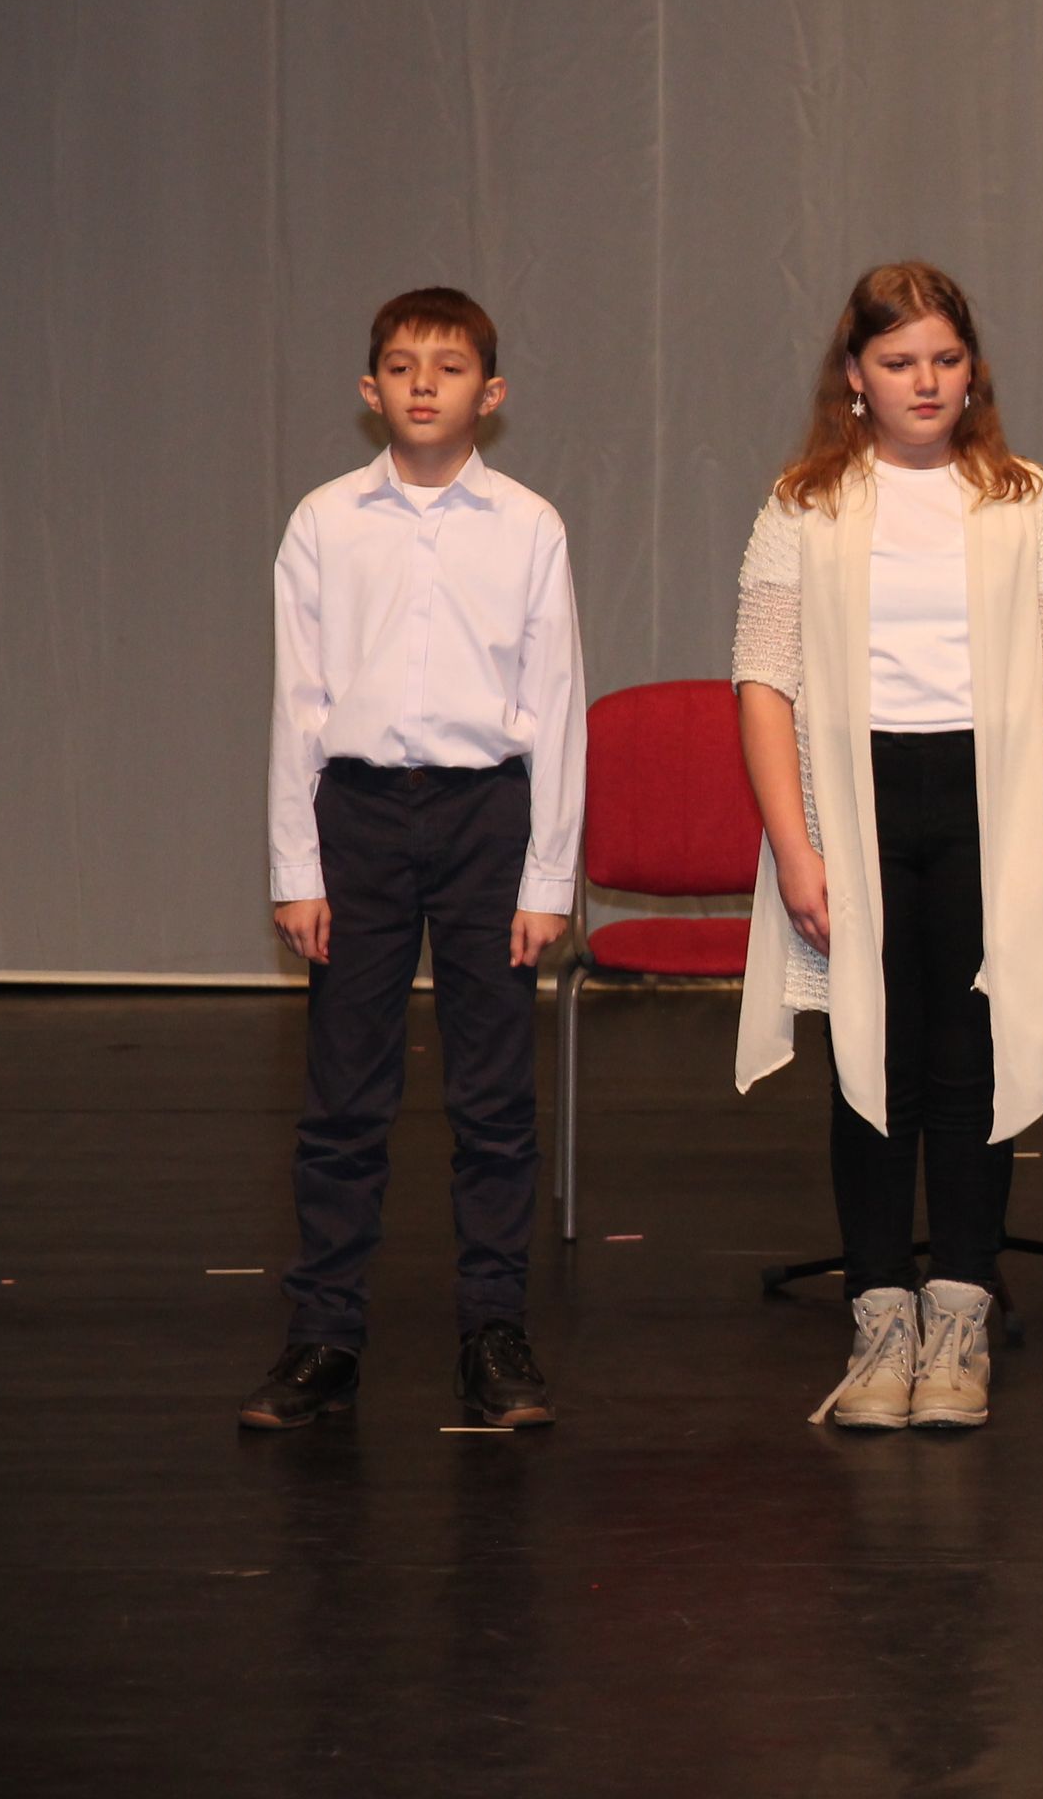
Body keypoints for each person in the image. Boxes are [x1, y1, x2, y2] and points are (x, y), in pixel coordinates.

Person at [732, 262, 1043, 1430]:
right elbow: (763, 683)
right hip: (855, 810)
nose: (925, 380)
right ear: (856, 374)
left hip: (991, 806)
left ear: (972, 369)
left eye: (944, 358)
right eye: (899, 361)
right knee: (869, 1057)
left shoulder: (1024, 499)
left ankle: (959, 1316)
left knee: (970, 1059)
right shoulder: (805, 502)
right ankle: (880, 1313)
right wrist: (795, 847)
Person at [245, 288, 587, 1431]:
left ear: (491, 393)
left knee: (493, 1097)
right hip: (359, 817)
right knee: (345, 1094)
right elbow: (298, 700)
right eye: (401, 365)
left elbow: (558, 701)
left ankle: (493, 1330)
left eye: (449, 366)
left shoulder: (528, 525)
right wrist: (297, 865)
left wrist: (548, 877)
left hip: (487, 817)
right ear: (370, 389)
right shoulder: (324, 522)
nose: (424, 383)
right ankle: (323, 1334)